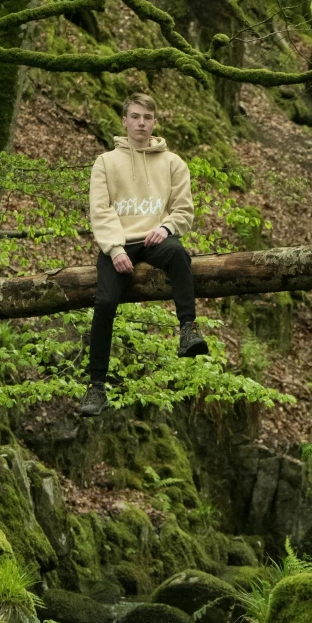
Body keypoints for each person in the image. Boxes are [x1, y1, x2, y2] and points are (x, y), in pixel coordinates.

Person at [80, 91, 208, 416]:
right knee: (105, 302)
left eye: (147, 118)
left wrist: (166, 228)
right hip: (119, 243)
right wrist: (114, 247)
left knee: (179, 255)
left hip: (154, 239)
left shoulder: (173, 163)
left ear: (154, 122)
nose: (141, 123)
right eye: (135, 116)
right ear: (124, 121)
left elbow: (184, 210)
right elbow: (100, 210)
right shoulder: (106, 162)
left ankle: (188, 330)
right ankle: (96, 387)